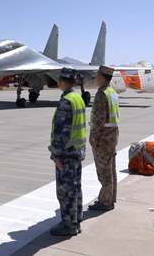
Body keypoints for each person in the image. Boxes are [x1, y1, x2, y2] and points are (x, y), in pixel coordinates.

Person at [48, 67, 87, 236]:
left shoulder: (65, 101)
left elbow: (61, 132)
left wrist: (55, 154)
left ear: (61, 81)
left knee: (65, 192)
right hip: (77, 151)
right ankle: (76, 221)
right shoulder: (78, 98)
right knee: (76, 188)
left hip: (66, 153)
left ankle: (68, 226)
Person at [88, 65, 119, 211]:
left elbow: (99, 118)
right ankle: (110, 198)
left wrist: (93, 137)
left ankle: (105, 202)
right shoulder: (112, 92)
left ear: (101, 77)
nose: (96, 78)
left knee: (104, 171)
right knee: (111, 168)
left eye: (97, 75)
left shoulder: (101, 94)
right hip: (112, 136)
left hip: (103, 138)